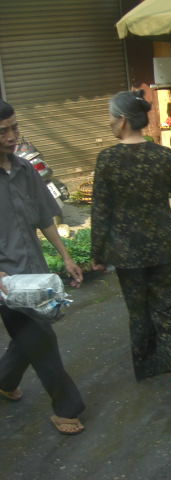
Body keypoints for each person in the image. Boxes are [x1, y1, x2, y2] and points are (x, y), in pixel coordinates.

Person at [91, 90, 171, 395]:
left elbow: (100, 210)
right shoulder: (163, 155)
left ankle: (149, 365)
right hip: (164, 245)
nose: (109, 122)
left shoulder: (107, 159)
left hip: (126, 251)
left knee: (138, 309)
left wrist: (97, 253)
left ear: (123, 120)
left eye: (111, 117)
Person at [0, 99, 86, 435]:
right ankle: (67, 408)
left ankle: (5, 380)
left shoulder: (24, 170)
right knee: (41, 338)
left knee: (27, 337)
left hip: (35, 273)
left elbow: (44, 218)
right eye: (3, 132)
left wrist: (66, 256)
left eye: (14, 128)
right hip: (6, 282)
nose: (11, 137)